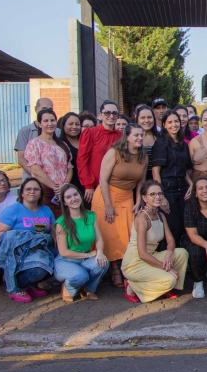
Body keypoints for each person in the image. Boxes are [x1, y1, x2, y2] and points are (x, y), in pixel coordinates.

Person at [95, 123, 148, 288]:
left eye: (141, 135)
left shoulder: (143, 156)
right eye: (136, 135)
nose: (140, 138)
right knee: (109, 234)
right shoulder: (114, 152)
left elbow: (141, 182)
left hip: (127, 197)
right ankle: (115, 270)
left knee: (127, 235)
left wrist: (139, 201)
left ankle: (127, 269)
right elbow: (102, 179)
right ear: (127, 137)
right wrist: (108, 205)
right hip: (107, 195)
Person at [0, 178, 56, 303]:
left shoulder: (46, 210)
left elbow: (53, 233)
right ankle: (17, 284)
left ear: (40, 193)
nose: (32, 192)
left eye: (36, 189)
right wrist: (25, 239)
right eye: (28, 189)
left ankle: (30, 285)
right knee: (38, 271)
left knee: (58, 260)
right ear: (22, 193)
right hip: (19, 253)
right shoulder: (13, 210)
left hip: (40, 250)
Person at [121, 180, 188, 303]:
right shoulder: (142, 218)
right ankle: (132, 287)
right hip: (135, 263)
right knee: (170, 279)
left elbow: (171, 240)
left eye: (160, 194)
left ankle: (166, 288)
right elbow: (142, 254)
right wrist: (166, 268)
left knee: (182, 253)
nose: (157, 197)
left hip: (151, 256)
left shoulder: (160, 215)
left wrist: (168, 254)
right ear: (144, 198)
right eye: (152, 194)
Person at [53, 184, 109, 302]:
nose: (73, 199)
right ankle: (69, 287)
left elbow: (99, 238)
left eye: (75, 194)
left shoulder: (90, 215)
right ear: (65, 202)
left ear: (80, 195)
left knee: (103, 262)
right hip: (66, 261)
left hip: (83, 260)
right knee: (80, 276)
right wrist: (88, 255)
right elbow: (63, 252)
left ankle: (87, 288)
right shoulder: (61, 223)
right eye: (68, 197)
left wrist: (99, 252)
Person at [152, 110, 193, 246]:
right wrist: (160, 196)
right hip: (167, 189)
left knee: (184, 225)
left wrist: (191, 185)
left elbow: (185, 171)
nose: (173, 125)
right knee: (172, 226)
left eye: (176, 121)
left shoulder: (183, 145)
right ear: (164, 124)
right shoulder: (161, 143)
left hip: (183, 189)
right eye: (169, 122)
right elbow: (155, 171)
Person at [24, 108, 72, 218]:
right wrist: (54, 187)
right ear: (39, 124)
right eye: (46, 121)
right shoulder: (34, 143)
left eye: (52, 120)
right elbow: (36, 170)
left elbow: (69, 167)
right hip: (45, 191)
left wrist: (64, 186)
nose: (50, 124)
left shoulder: (62, 145)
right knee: (47, 223)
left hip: (64, 191)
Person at [77, 100, 122, 204]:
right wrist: (88, 185)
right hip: (95, 186)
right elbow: (82, 160)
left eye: (114, 113)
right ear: (100, 115)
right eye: (107, 113)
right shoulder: (90, 133)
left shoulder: (120, 136)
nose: (111, 116)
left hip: (116, 185)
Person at [15, 97, 55, 181]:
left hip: (55, 180)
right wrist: (39, 177)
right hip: (32, 180)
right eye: (43, 108)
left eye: (50, 109)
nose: (46, 111)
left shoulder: (57, 132)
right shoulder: (25, 131)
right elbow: (22, 160)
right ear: (36, 109)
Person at [57, 112, 84, 195]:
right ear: (63, 125)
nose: (74, 127)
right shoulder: (58, 144)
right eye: (70, 124)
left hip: (85, 186)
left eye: (77, 124)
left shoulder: (84, 141)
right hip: (67, 186)